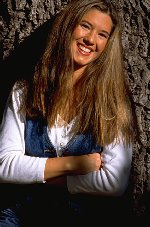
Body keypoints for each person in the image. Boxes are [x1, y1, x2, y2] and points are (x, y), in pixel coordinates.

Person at [0, 0, 136, 226]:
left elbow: (114, 182)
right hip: (20, 216)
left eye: (102, 34)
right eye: (85, 26)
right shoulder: (25, 90)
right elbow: (4, 165)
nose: (90, 40)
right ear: (67, 27)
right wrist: (76, 164)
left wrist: (37, 174)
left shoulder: (113, 102)